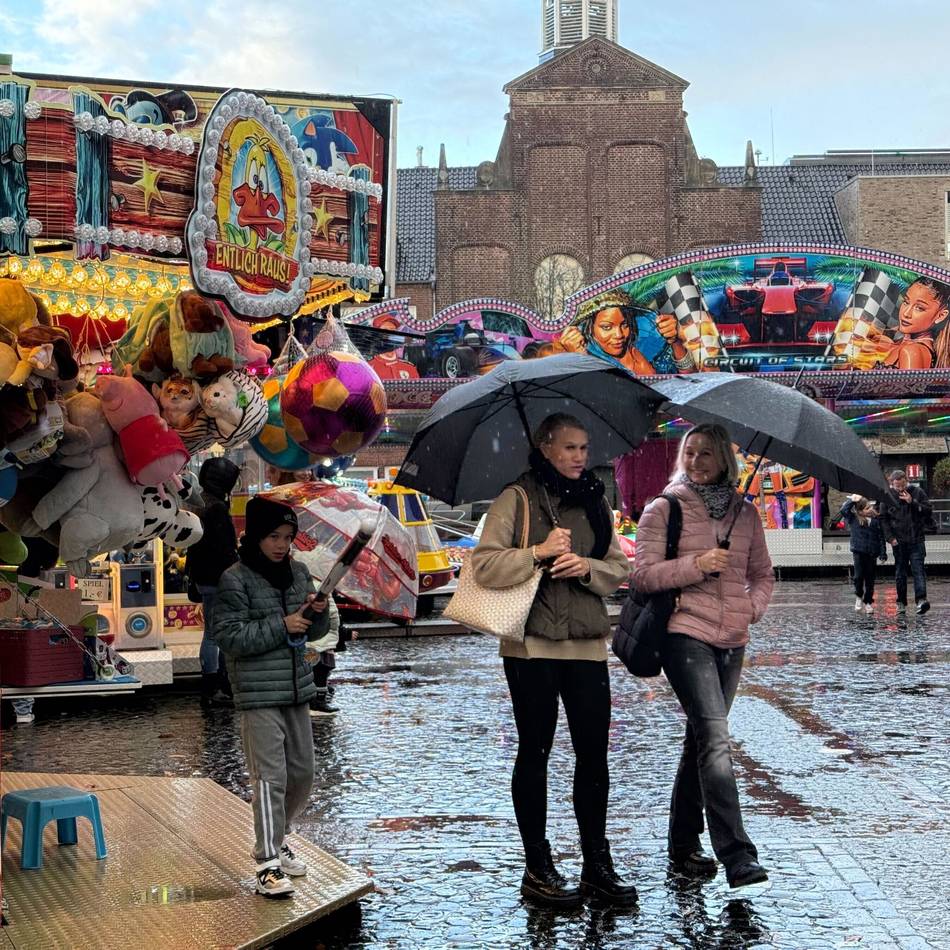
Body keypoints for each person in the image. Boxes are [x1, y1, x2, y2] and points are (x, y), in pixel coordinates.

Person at [471, 413, 634, 908]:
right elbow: (484, 564)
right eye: (569, 448)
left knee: (593, 756)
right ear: (545, 447)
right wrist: (538, 553)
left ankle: (596, 864)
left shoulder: (595, 501)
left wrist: (586, 568)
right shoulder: (515, 498)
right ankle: (537, 866)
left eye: (584, 448)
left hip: (585, 642)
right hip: (531, 644)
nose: (579, 457)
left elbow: (619, 567)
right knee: (535, 751)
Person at [632, 423, 774, 890]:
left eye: (706, 454)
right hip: (683, 632)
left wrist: (750, 609)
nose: (696, 461)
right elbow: (644, 577)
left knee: (699, 739)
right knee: (715, 736)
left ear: (725, 461)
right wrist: (698, 565)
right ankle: (736, 853)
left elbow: (763, 575)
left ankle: (683, 844)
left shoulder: (747, 514)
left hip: (732, 639)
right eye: (689, 453)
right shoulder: (664, 508)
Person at [214, 496, 329, 898]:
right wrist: (283, 625)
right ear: (256, 536)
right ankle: (266, 862)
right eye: (273, 536)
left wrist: (319, 612)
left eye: (287, 536)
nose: (281, 544)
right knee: (269, 778)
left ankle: (279, 837)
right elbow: (228, 636)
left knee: (302, 773)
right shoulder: (236, 578)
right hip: (258, 692)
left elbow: (313, 632)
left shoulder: (298, 572)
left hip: (297, 688)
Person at [186, 457, 242, 705]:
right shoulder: (217, 508)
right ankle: (212, 687)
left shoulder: (201, 503)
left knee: (213, 633)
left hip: (203, 577)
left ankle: (216, 684)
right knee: (214, 634)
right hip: (217, 578)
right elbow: (224, 549)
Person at [558, 292, 692, 375]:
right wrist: (579, 359)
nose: (619, 335)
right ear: (589, 328)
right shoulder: (590, 359)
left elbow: (688, 381)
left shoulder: (647, 343)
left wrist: (675, 341)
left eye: (624, 325)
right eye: (606, 327)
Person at [879, 469, 932, 615]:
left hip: (916, 539)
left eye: (902, 485)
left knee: (918, 571)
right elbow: (883, 519)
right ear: (892, 484)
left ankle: (921, 600)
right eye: (897, 487)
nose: (900, 489)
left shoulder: (918, 492)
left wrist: (912, 502)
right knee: (900, 573)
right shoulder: (887, 496)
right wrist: (890, 538)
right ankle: (901, 602)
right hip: (899, 541)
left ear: (906, 481)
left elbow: (928, 510)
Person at [882, 278, 950, 370]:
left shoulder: (911, 351)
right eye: (906, 302)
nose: (906, 313)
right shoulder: (912, 347)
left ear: (941, 316)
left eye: (919, 308)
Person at [839, 495, 886, 614]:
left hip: (872, 553)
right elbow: (844, 510)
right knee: (858, 577)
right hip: (859, 552)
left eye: (870, 507)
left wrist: (883, 553)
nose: (869, 509)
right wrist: (852, 500)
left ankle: (868, 601)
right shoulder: (854, 519)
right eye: (866, 508)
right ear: (860, 511)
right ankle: (859, 596)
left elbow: (881, 537)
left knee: (870, 579)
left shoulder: (876, 521)